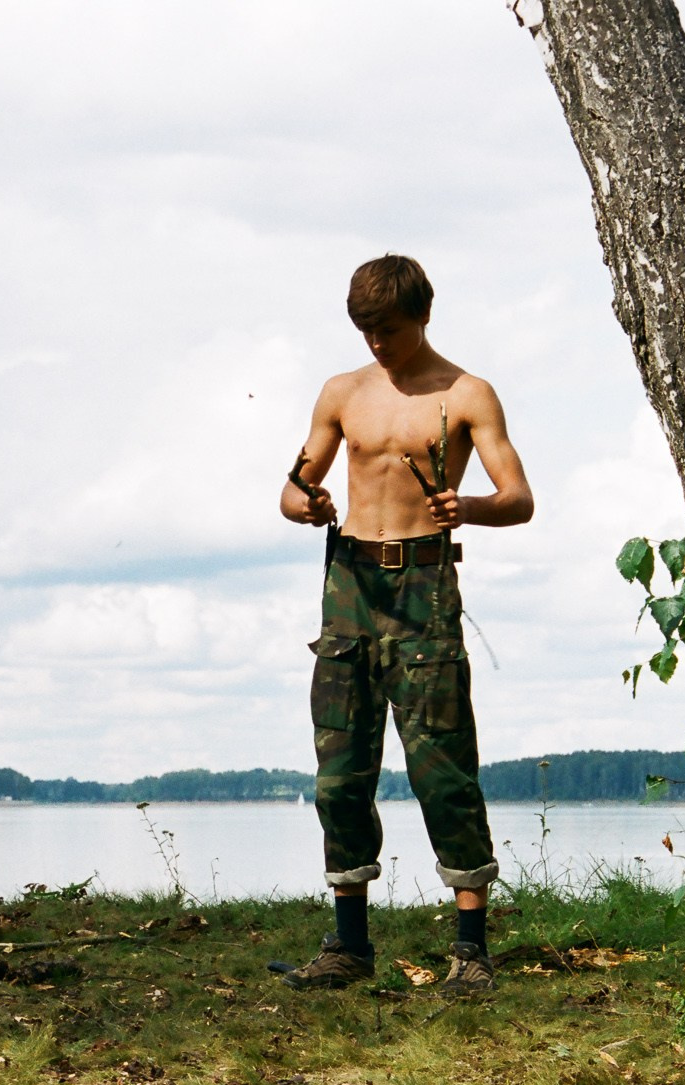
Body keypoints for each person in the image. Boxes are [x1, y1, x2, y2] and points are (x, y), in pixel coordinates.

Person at [278, 254, 535, 997]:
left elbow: (518, 498)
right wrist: (308, 505)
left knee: (443, 770)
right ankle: (349, 946)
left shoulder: (467, 394)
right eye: (365, 330)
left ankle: (470, 951)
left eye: (387, 329)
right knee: (339, 775)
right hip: (348, 586)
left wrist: (470, 507)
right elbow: (293, 490)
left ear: (422, 315)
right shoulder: (342, 393)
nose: (376, 344)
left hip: (424, 584)